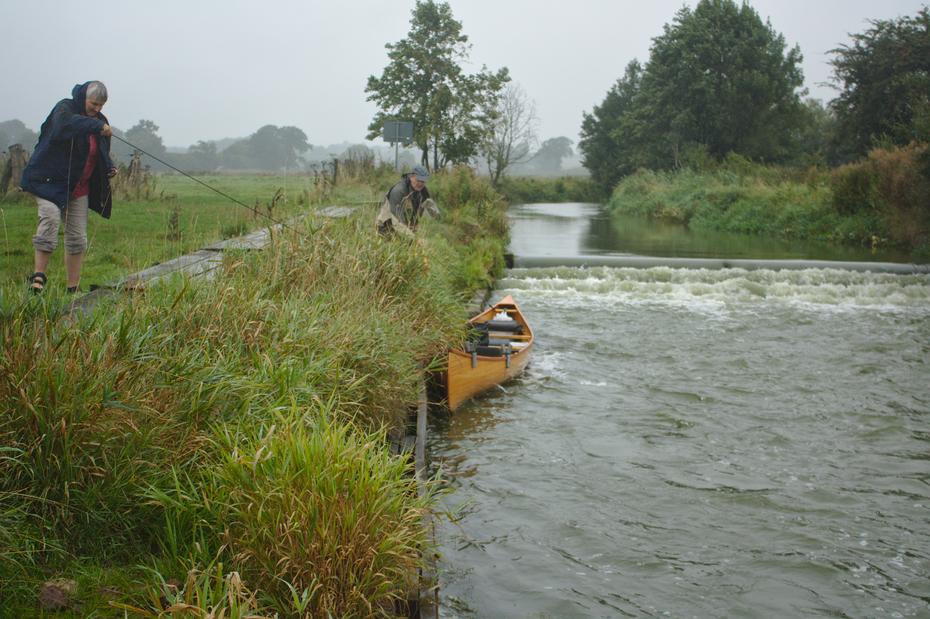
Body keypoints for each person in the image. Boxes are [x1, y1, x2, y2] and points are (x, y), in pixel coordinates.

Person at [21, 81, 117, 293]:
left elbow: (99, 151)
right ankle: (38, 277)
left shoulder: (100, 121)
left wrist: (108, 167)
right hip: (48, 181)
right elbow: (64, 127)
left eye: (102, 105)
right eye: (94, 104)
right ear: (83, 98)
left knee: (77, 237)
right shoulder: (64, 109)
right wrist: (96, 126)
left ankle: (72, 288)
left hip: (79, 187)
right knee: (50, 218)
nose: (97, 109)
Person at [375, 164, 440, 237]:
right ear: (411, 177)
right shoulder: (398, 191)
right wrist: (414, 239)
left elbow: (432, 209)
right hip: (387, 229)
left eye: (423, 181)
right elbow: (397, 222)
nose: (421, 184)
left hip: (406, 229)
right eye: (418, 180)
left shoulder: (421, 189)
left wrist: (435, 214)